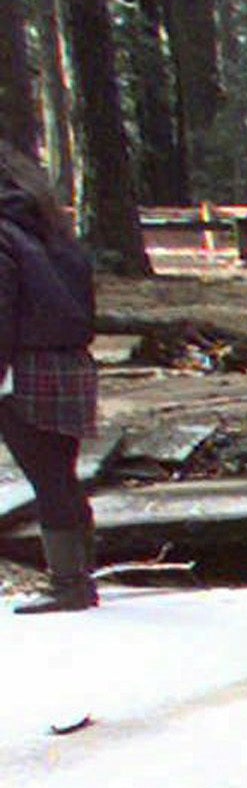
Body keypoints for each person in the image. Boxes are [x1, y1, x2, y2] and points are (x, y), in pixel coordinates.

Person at [0, 147, 99, 614]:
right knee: (61, 475)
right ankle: (81, 577)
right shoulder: (52, 232)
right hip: (73, 366)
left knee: (49, 479)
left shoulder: (4, 235)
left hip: (27, 368)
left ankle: (69, 585)